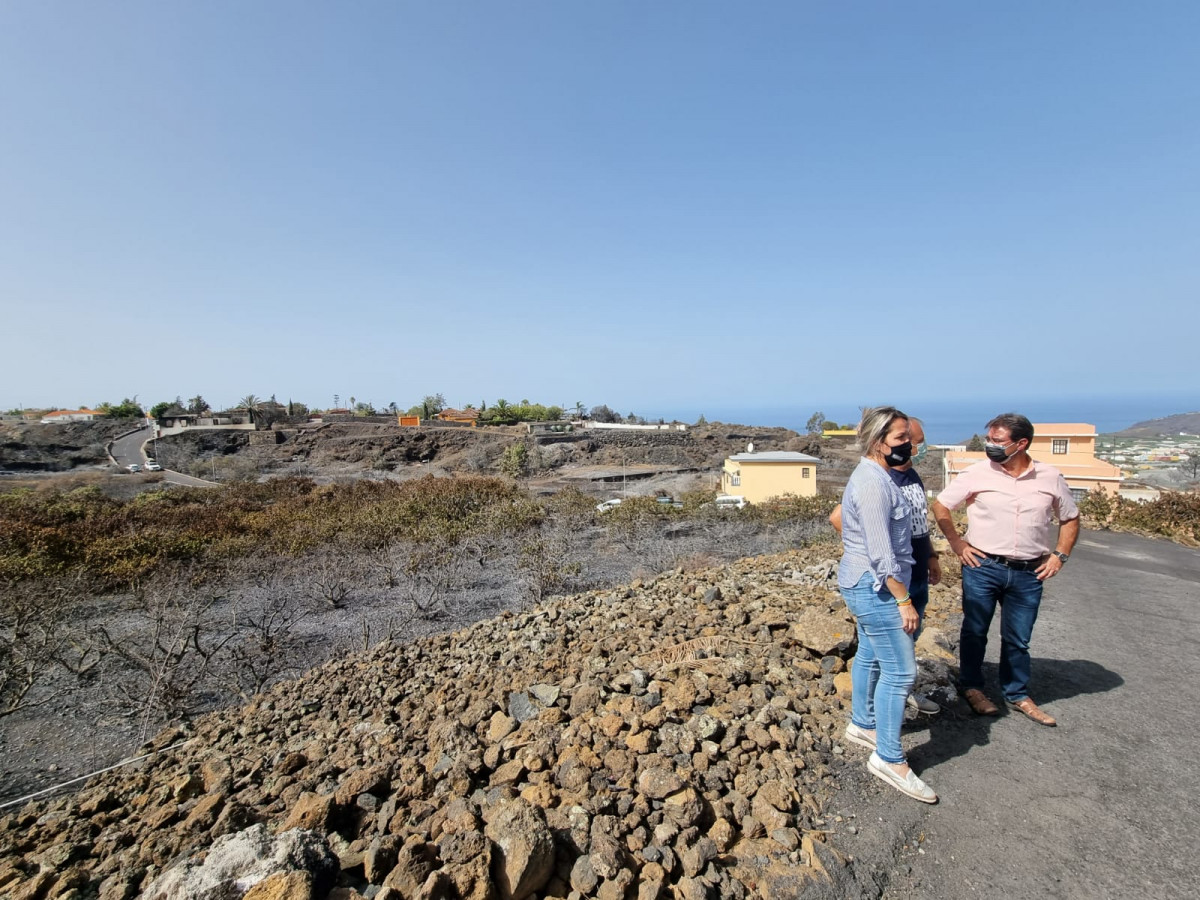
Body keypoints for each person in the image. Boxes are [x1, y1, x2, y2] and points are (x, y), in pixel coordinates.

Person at [931, 412, 1080, 726]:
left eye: (997, 441)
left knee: (1018, 638)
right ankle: (972, 687)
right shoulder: (977, 474)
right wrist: (957, 543)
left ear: (1021, 443)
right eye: (989, 439)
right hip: (983, 566)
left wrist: (1060, 556)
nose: (990, 446)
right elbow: (941, 505)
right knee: (974, 631)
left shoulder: (1050, 477)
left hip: (1029, 572)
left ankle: (1017, 693)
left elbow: (1070, 517)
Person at [836, 406, 937, 803]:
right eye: (899, 439)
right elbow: (881, 554)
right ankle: (890, 759)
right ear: (877, 442)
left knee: (873, 657)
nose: (908, 444)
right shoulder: (874, 483)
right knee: (901, 672)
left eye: (907, 437)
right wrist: (904, 600)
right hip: (877, 587)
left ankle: (863, 723)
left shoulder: (875, 475)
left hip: (866, 583)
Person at [831, 418, 942, 714]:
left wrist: (931, 555)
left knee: (903, 645)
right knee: (885, 656)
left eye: (916, 440)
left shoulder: (912, 475)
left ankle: (895, 697)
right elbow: (839, 518)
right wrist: (871, 555)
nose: (916, 447)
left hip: (915, 571)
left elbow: (919, 523)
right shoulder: (880, 478)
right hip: (891, 580)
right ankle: (877, 709)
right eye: (910, 440)